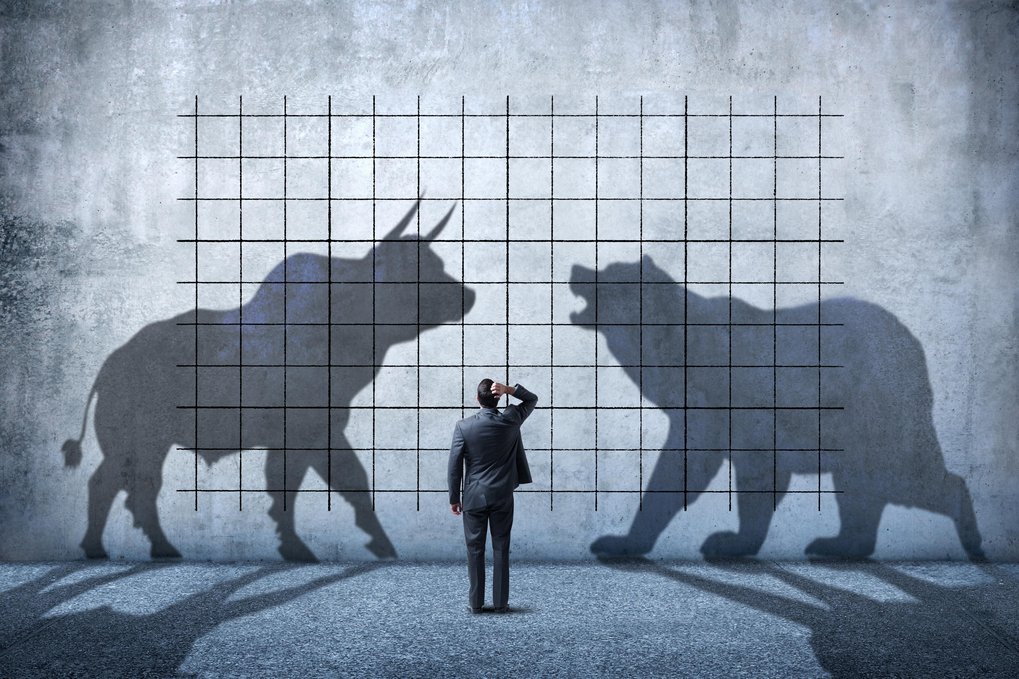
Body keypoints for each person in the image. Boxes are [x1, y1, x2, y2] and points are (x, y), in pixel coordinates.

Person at [448, 379, 537, 614]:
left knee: (474, 549)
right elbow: (532, 399)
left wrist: (454, 497)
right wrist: (510, 390)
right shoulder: (511, 420)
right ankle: (500, 603)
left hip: (475, 496)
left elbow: (454, 466)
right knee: (501, 547)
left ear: (477, 400)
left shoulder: (463, 426)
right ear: (498, 399)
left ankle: (476, 603)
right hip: (503, 496)